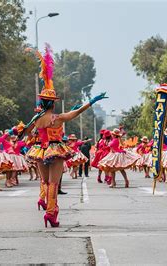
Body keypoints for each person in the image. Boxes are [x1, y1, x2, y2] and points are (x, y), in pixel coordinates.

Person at [24, 43, 107, 227]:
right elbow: (75, 114)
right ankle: (51, 213)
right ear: (52, 103)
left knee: (45, 181)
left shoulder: (36, 118)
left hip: (40, 150)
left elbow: (26, 132)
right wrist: (91, 102)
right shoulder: (58, 117)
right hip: (55, 149)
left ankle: (45, 205)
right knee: (54, 182)